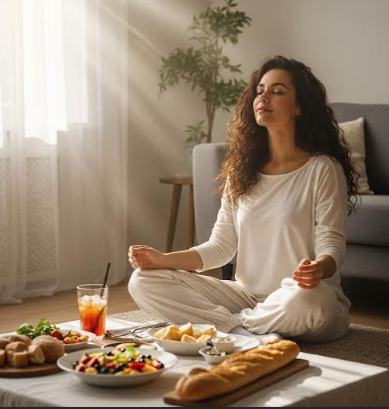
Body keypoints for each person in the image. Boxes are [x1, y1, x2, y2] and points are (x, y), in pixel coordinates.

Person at [127, 56, 359, 343]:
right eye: (260, 90)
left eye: (278, 91)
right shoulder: (242, 171)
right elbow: (221, 247)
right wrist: (163, 260)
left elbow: (332, 243)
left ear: (300, 106)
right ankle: (243, 332)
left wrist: (319, 268)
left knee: (312, 302)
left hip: (301, 296)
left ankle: (230, 326)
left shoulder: (322, 169)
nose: (264, 97)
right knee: (144, 280)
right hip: (247, 296)